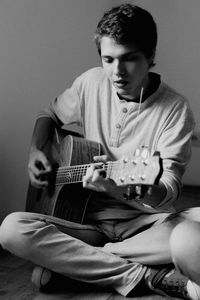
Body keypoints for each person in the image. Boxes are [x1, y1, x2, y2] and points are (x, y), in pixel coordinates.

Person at [0, 3, 199, 299]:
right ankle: (144, 275)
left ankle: (84, 263)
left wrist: (120, 186)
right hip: (86, 223)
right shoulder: (90, 82)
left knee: (191, 233)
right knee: (12, 229)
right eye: (108, 59)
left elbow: (167, 189)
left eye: (129, 59)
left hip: (145, 228)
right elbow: (49, 114)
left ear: (151, 56)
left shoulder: (176, 109)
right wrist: (36, 150)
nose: (116, 71)